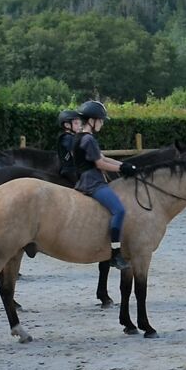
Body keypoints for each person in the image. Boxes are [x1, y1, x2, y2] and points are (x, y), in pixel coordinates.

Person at [69, 100, 138, 269]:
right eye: (100, 120)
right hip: (92, 181)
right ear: (92, 120)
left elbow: (103, 158)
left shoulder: (80, 137)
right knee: (119, 210)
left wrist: (125, 165)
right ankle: (115, 252)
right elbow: (100, 164)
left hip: (85, 178)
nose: (102, 124)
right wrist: (122, 168)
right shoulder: (89, 139)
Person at [55, 108, 80, 181]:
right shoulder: (68, 138)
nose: (80, 126)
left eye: (80, 123)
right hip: (70, 170)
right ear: (67, 125)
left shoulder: (71, 137)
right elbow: (75, 154)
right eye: (76, 123)